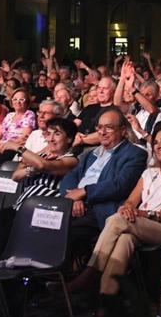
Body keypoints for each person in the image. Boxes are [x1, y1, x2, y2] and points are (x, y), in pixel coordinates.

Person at [67, 120, 161, 297]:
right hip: (139, 225)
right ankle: (105, 301)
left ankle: (90, 273)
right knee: (125, 239)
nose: (158, 146)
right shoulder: (149, 173)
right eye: (156, 142)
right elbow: (130, 201)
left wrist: (143, 213)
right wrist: (128, 208)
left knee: (117, 220)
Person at [59, 108, 147, 255]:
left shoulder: (135, 154)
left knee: (66, 232)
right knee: (34, 222)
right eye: (99, 127)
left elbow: (120, 185)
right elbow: (70, 177)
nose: (102, 132)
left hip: (99, 211)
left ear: (123, 130)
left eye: (109, 127)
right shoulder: (90, 154)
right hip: (74, 206)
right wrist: (74, 200)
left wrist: (84, 192)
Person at [12, 117, 79, 207]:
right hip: (21, 206)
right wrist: (34, 168)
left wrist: (18, 148)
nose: (51, 139)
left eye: (57, 134)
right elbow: (15, 176)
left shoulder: (71, 160)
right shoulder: (41, 157)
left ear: (69, 139)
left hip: (46, 211)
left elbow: (43, 166)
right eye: (48, 134)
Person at [0, 88, 36, 162]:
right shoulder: (9, 115)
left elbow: (24, 137)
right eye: (15, 99)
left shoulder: (29, 114)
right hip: (1, 147)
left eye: (21, 99)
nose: (18, 102)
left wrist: (5, 146)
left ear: (27, 102)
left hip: (14, 147)